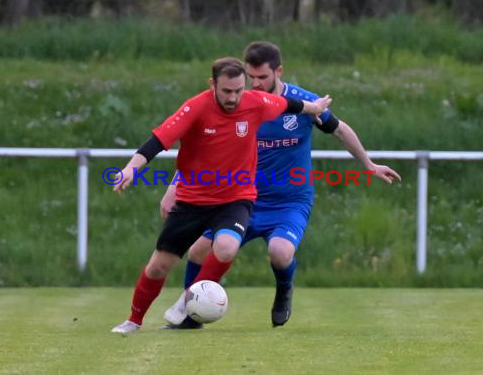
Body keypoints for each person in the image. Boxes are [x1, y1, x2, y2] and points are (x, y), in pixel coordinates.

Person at [161, 42, 401, 329]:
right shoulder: (242, 105)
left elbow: (339, 128)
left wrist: (369, 164)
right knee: (199, 250)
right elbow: (203, 150)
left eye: (262, 77)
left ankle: (284, 290)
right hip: (243, 200)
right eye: (251, 77)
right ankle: (191, 315)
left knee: (280, 252)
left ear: (279, 71)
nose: (256, 84)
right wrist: (175, 186)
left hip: (290, 201)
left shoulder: (302, 103)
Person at [110, 57, 332, 334]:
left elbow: (290, 104)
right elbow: (157, 142)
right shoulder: (196, 107)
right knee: (158, 267)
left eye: (238, 90)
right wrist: (131, 169)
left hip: (235, 199)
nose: (234, 97)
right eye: (227, 91)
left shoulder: (254, 101)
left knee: (226, 247)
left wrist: (315, 107)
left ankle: (186, 301)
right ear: (213, 84)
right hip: (193, 200)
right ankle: (134, 320)